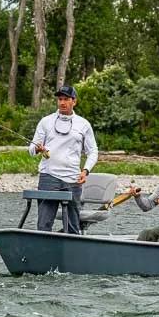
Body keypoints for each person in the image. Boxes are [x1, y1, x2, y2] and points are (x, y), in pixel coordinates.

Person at [28, 85, 98, 234]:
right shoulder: (45, 121)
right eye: (60, 99)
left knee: (73, 226)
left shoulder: (84, 124)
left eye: (66, 99)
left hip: (73, 180)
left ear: (74, 102)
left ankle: (72, 252)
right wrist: (37, 148)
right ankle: (43, 251)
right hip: (49, 177)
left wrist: (85, 171)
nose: (62, 103)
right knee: (43, 225)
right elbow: (31, 150)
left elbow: (93, 152)